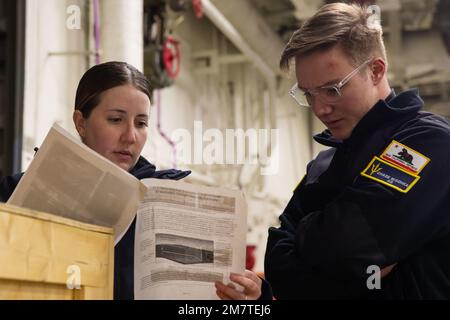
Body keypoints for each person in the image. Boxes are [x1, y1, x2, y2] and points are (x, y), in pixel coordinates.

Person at [0, 61, 264, 300]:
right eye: (115, 119)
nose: (130, 136)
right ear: (81, 122)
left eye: (141, 123)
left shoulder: (164, 199)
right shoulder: (13, 193)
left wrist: (251, 298)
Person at [264, 2, 450, 299]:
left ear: (376, 70)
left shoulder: (430, 143)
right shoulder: (323, 165)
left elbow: (346, 247)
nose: (320, 108)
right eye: (308, 94)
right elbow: (276, 264)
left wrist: (305, 235)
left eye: (333, 89)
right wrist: (346, 266)